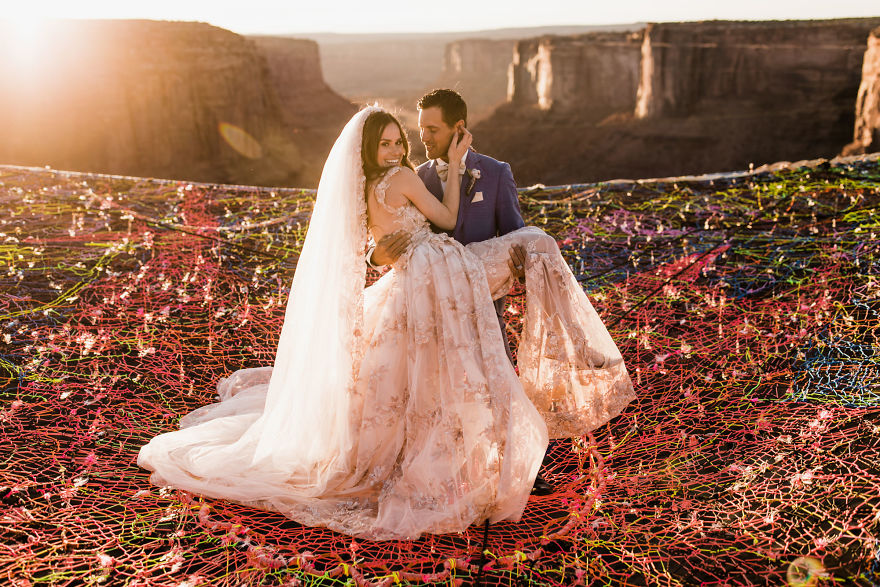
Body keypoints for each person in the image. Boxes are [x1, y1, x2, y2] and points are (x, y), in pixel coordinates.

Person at [138, 106, 634, 541]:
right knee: (538, 245)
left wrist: (381, 251)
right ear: (371, 149)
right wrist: (457, 168)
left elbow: (370, 251)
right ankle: (572, 368)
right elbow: (445, 218)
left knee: (414, 376)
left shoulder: (361, 192)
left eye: (402, 140)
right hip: (437, 269)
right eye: (389, 143)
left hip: (407, 281)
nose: (398, 149)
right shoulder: (402, 178)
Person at [369, 89, 551, 494]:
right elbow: (391, 226)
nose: (422, 140)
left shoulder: (496, 172)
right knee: (443, 391)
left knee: (497, 377)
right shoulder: (419, 177)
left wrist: (519, 261)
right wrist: (374, 257)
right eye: (419, 131)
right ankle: (455, 475)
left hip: (485, 300)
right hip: (433, 306)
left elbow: (514, 232)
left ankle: (525, 471)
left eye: (431, 130)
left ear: (459, 129)